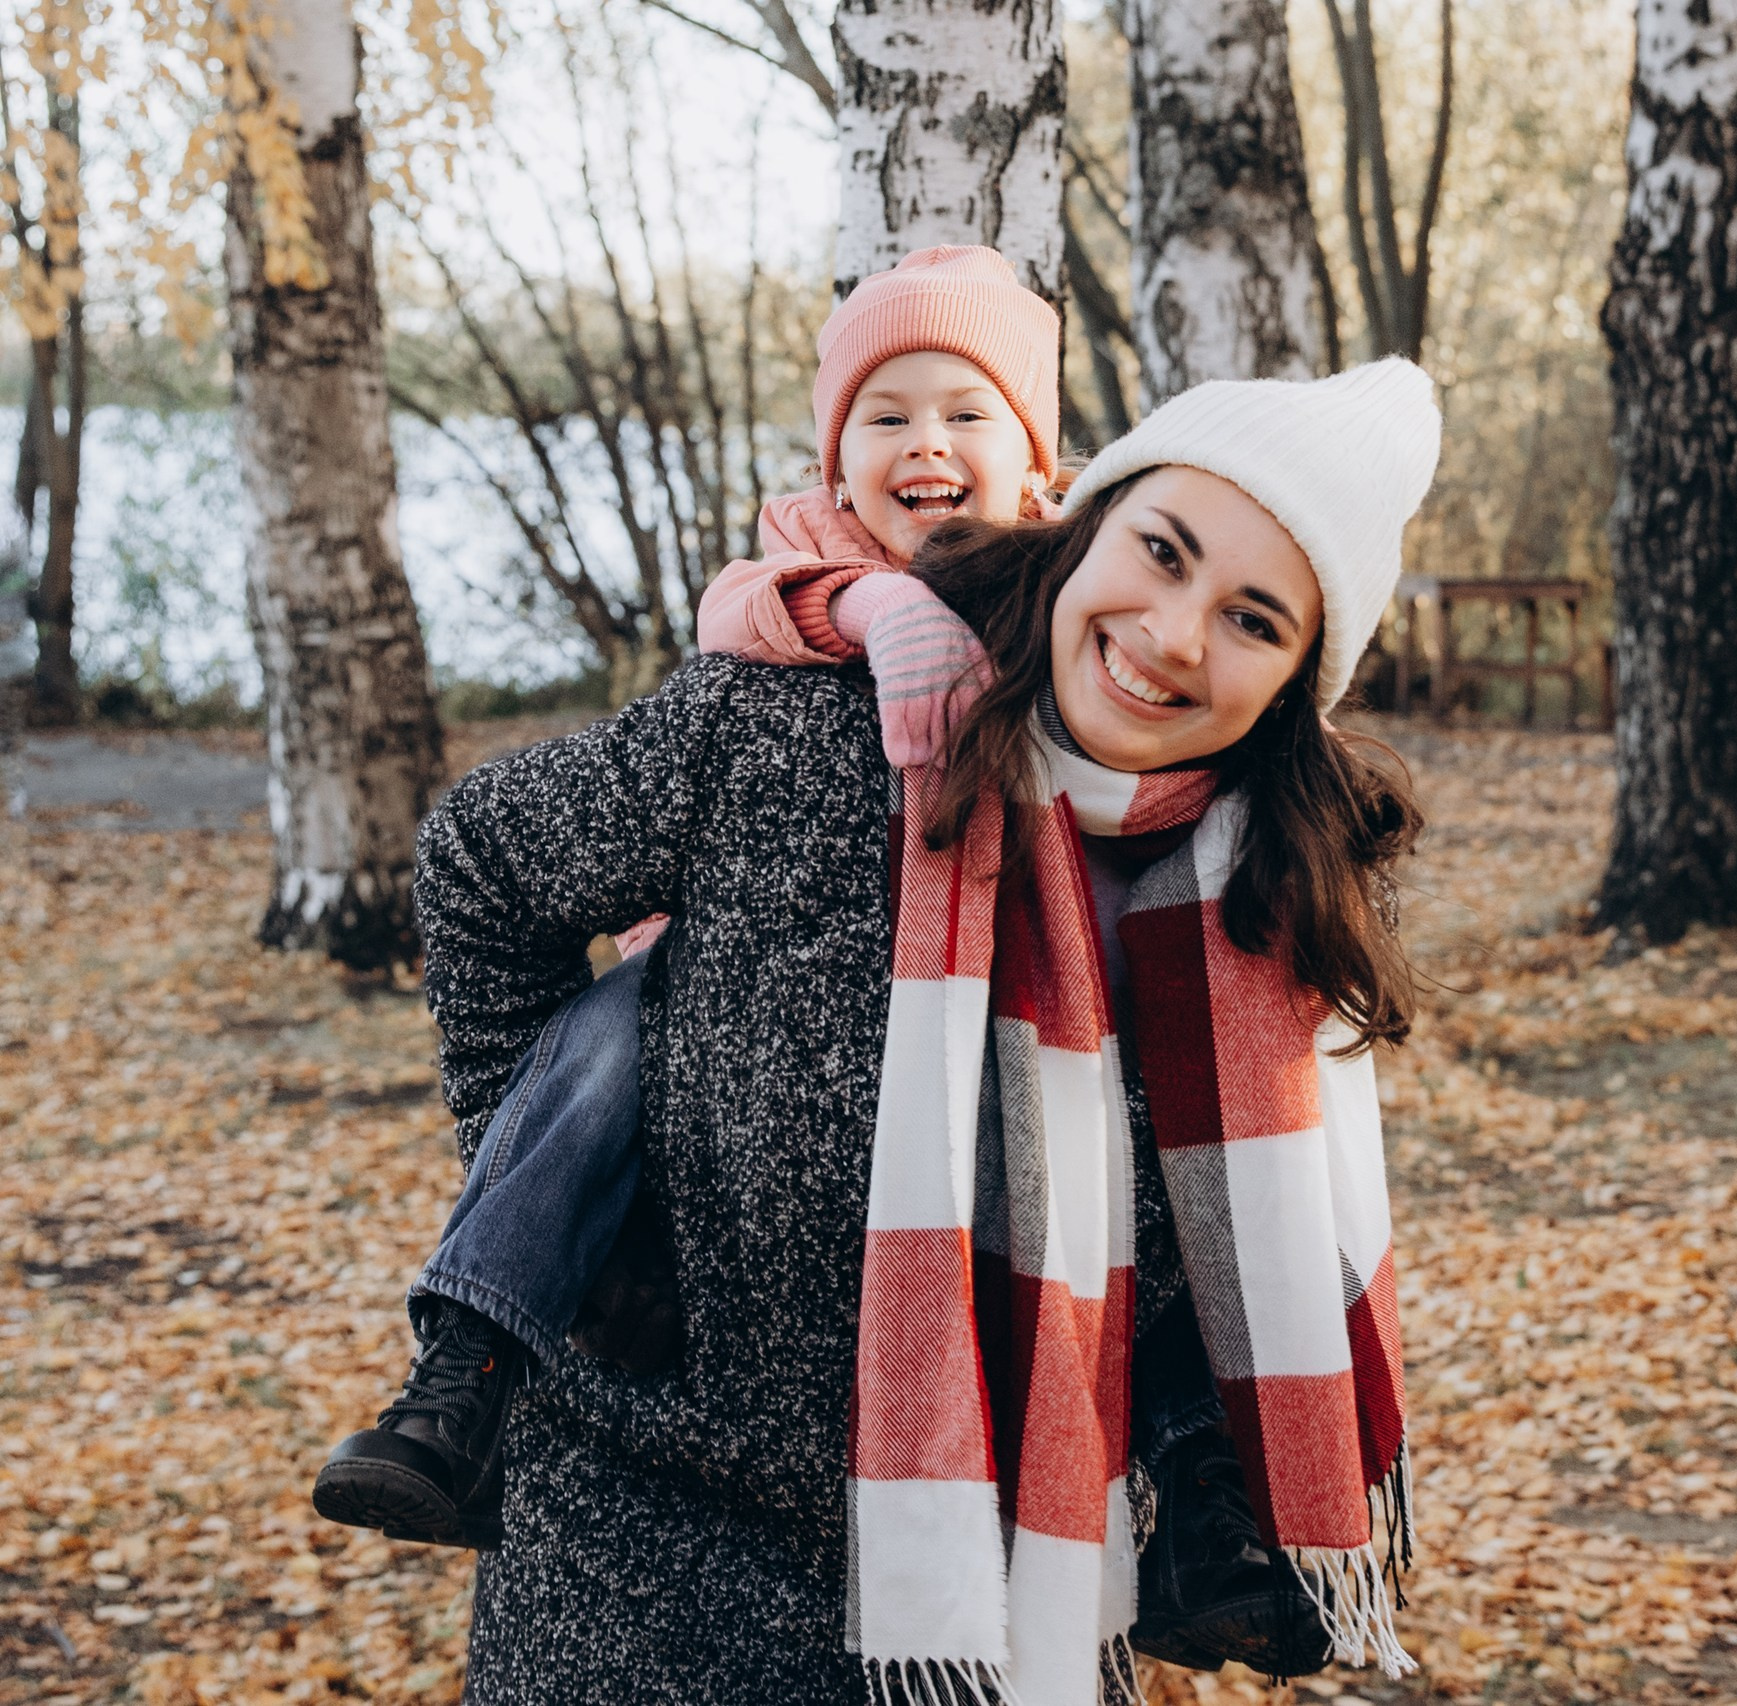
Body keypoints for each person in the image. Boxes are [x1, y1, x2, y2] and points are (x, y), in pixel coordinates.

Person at [348, 361, 1439, 1701]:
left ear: (1290, 684)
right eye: (1161, 550)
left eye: (1253, 619)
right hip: (637, 1584)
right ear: (1085, 518)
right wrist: (573, 1200)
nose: (1171, 633)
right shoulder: (803, 724)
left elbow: (1207, 1287)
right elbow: (482, 866)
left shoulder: (1255, 915)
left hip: (1000, 1617)